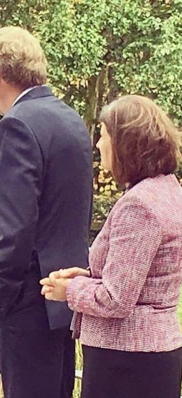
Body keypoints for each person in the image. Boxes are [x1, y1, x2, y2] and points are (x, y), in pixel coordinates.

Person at [0, 26, 93, 398]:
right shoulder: (71, 120)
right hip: (61, 300)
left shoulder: (17, 125)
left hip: (24, 302)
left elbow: (14, 228)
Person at [41, 95, 182, 398]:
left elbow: (116, 299)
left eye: (104, 135)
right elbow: (139, 277)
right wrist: (88, 277)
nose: (99, 144)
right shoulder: (168, 189)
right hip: (150, 355)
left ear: (125, 144)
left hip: (127, 359)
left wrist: (71, 290)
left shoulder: (139, 205)